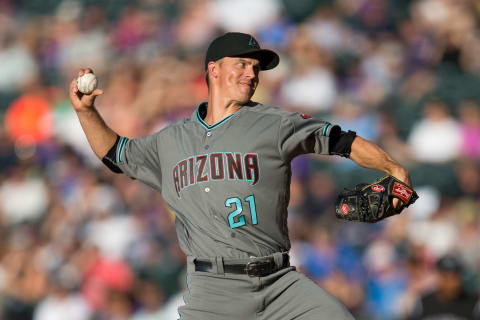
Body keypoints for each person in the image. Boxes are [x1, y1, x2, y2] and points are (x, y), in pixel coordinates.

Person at [69, 32, 412, 320]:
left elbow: (342, 141)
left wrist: (393, 168)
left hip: (280, 283)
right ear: (213, 70)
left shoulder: (276, 123)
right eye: (242, 64)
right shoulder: (170, 140)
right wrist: (87, 112)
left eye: (256, 67)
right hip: (212, 291)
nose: (252, 73)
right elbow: (116, 155)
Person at [409, 255, 480, 320]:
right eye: (445, 277)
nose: (450, 283)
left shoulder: (473, 303)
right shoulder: (423, 303)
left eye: (454, 277)